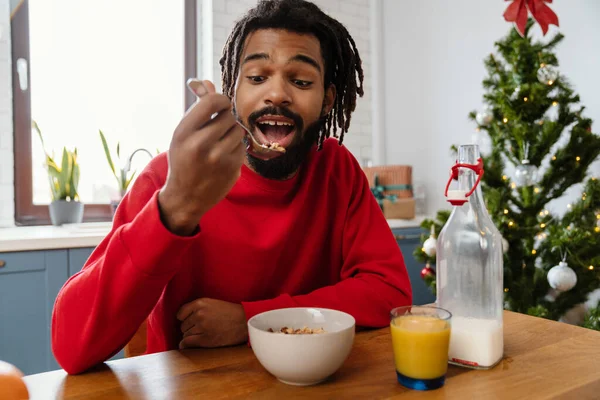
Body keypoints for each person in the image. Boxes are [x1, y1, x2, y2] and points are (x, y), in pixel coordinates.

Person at [51, 0, 412, 374]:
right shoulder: (169, 179)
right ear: (232, 90)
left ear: (327, 101)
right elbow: (70, 347)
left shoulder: (337, 170)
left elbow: (389, 292)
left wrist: (251, 320)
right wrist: (176, 207)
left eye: (301, 81)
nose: (277, 94)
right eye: (257, 77)